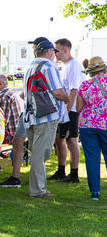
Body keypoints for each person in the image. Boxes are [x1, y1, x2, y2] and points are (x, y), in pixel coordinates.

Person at [0, 36, 48, 188]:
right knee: (19, 142)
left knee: (35, 147)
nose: (33, 49)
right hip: (27, 113)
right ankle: (16, 177)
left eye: (35, 46)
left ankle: (37, 183)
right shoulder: (34, 66)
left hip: (38, 113)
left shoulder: (44, 66)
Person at [22, 40, 69, 198]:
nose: (54, 55)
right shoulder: (48, 66)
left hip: (31, 115)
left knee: (38, 152)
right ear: (49, 52)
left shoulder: (30, 67)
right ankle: (38, 190)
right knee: (41, 154)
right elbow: (57, 92)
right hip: (46, 115)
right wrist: (68, 99)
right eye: (53, 52)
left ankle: (37, 187)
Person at [49, 38, 85, 183]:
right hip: (65, 110)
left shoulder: (74, 66)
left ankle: (74, 174)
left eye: (57, 51)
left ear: (65, 50)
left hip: (71, 110)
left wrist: (67, 113)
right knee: (60, 139)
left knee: (72, 141)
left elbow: (74, 90)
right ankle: (61, 170)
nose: (55, 54)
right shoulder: (65, 66)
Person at [76, 56, 107, 201]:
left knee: (92, 158)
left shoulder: (84, 85)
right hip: (105, 124)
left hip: (87, 124)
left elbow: (78, 107)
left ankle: (95, 192)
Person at [0, 74, 22, 140]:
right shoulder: (9, 93)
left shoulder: (4, 97)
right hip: (17, 133)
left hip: (10, 136)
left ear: (0, 84)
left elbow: (2, 122)